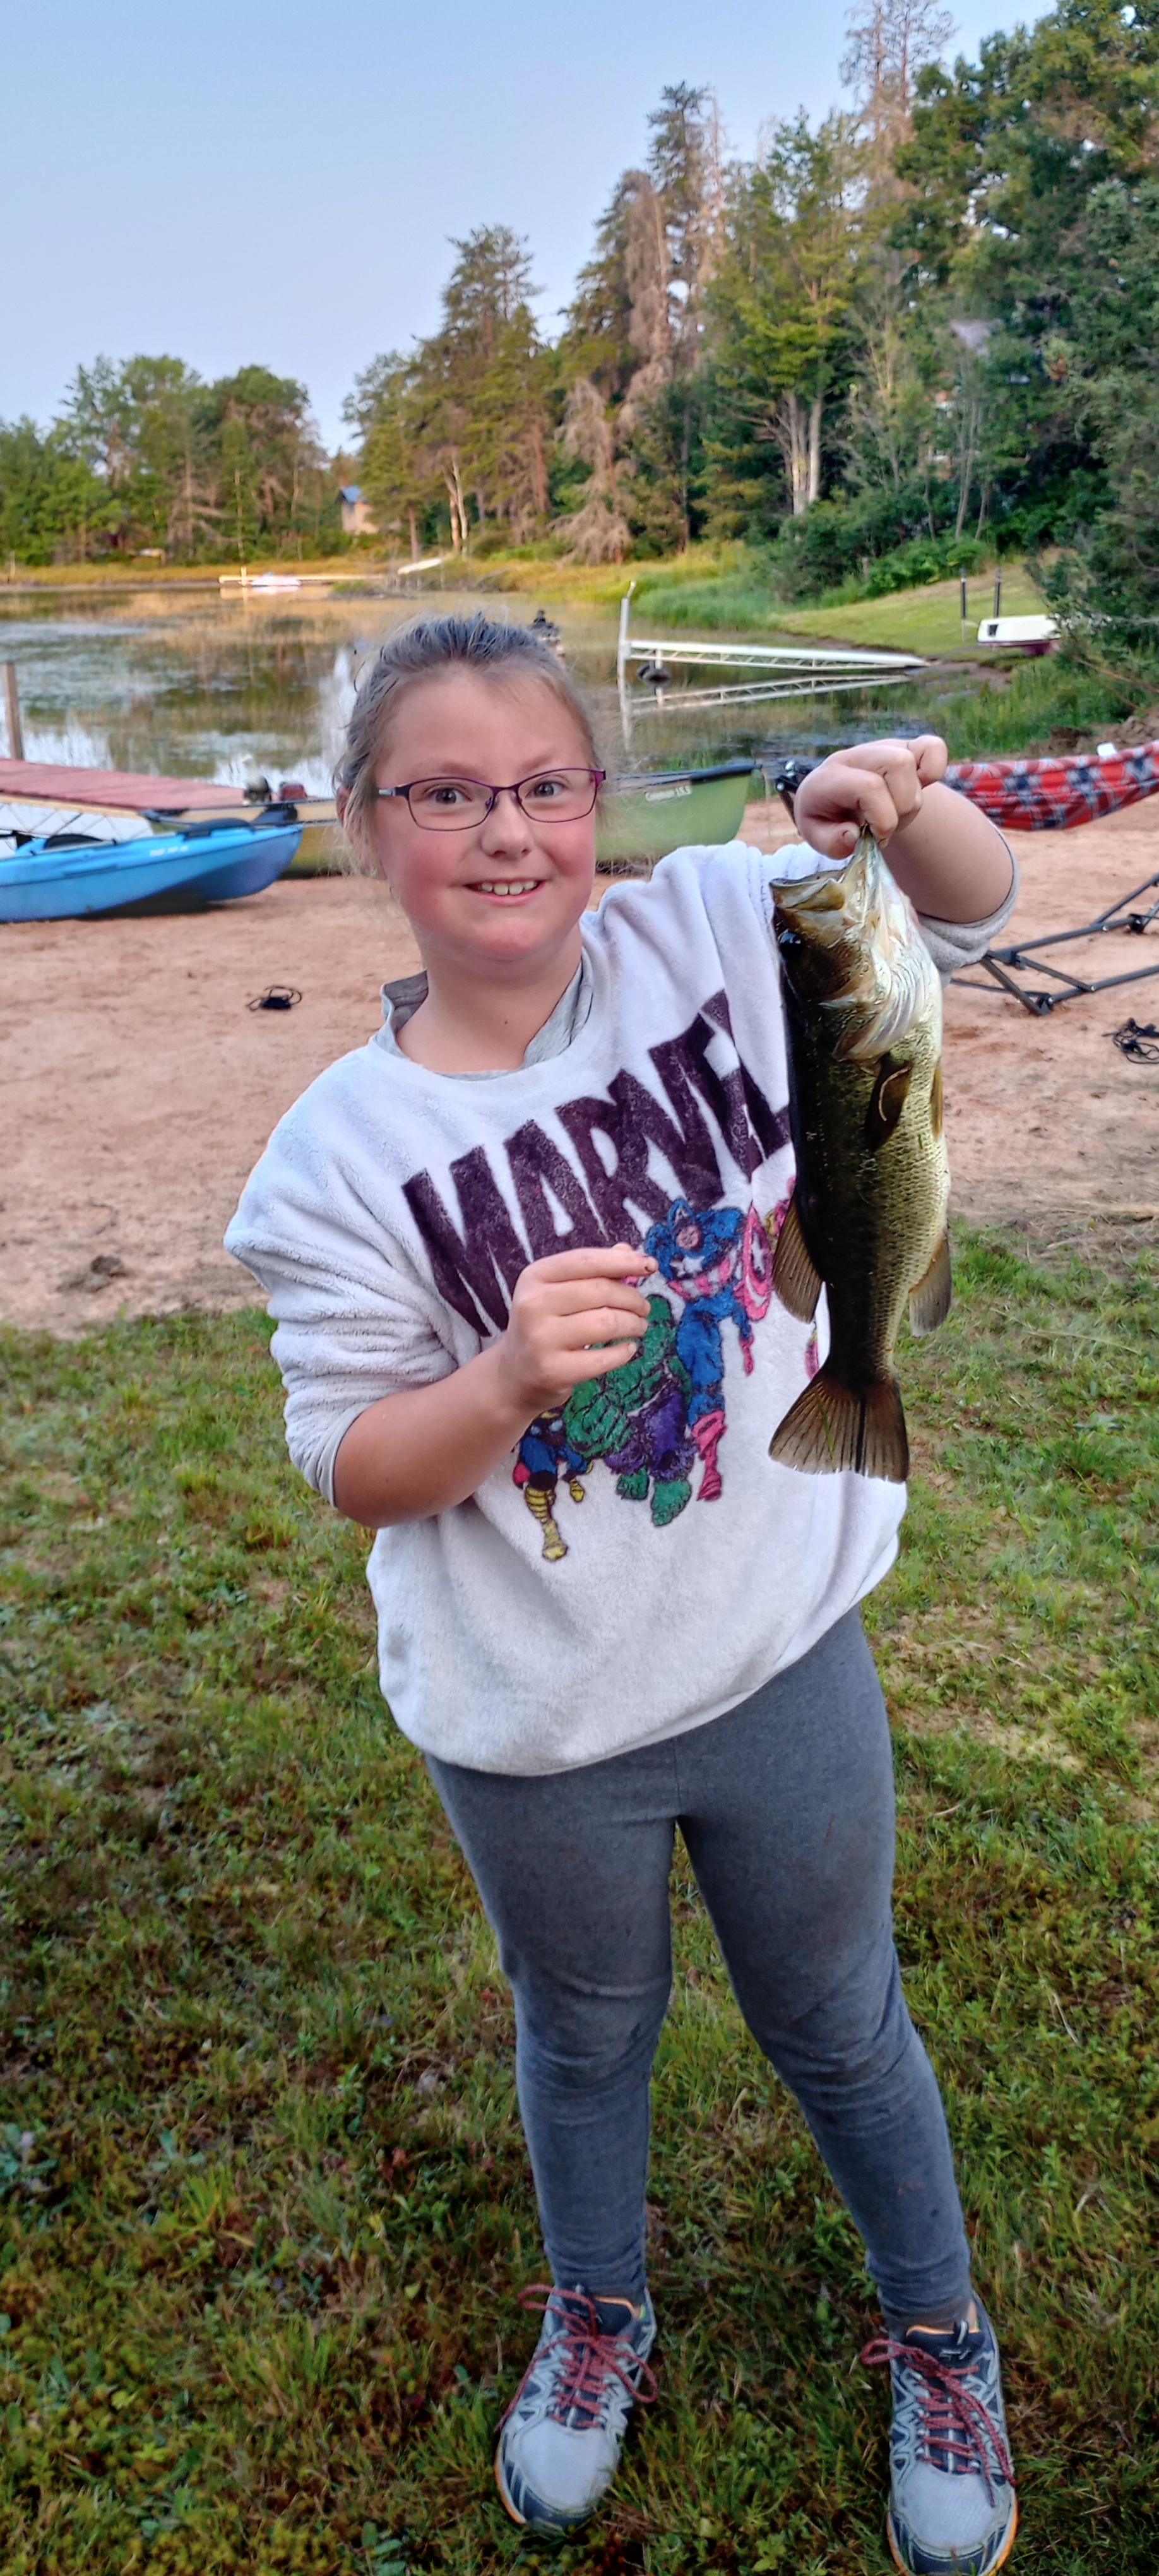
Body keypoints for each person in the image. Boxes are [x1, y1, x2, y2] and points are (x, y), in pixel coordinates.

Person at [226, 612, 1020, 2575]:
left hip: (778, 1657)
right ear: (365, 830)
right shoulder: (335, 1158)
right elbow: (347, 1466)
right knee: (583, 2034)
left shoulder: (721, 930)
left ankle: (941, 2330)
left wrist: (885, 816)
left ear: (598, 803)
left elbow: (979, 907)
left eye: (543, 787)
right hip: (536, 1720)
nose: (503, 835)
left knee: (842, 2021)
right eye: (442, 796)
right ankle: (596, 2312)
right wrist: (493, 1386)